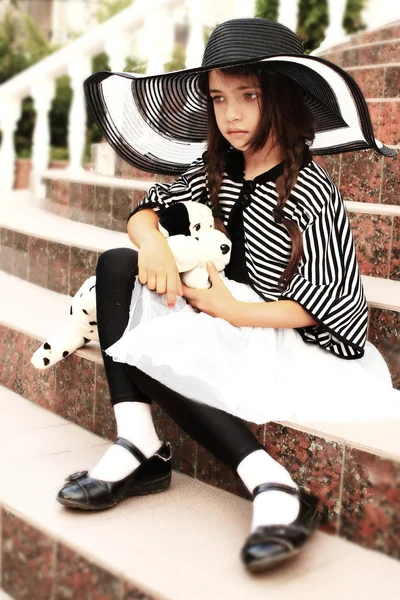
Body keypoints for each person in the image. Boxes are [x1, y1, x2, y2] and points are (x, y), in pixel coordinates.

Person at [57, 18, 400, 573]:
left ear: (283, 100)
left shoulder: (311, 187)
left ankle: (273, 484)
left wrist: (231, 309)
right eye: (218, 99)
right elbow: (147, 209)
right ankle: (137, 440)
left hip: (271, 332)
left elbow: (329, 300)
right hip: (211, 317)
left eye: (249, 96)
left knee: (159, 347)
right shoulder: (211, 171)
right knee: (119, 264)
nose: (231, 114)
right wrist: (153, 245)